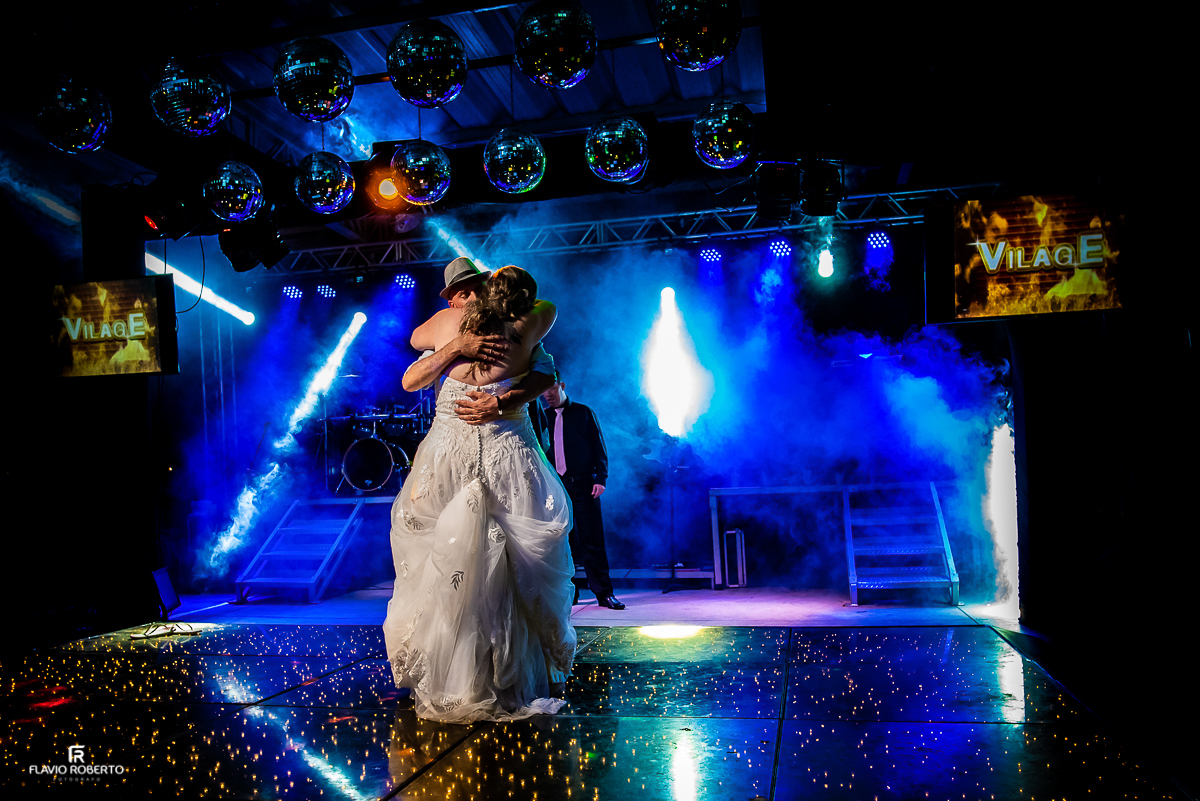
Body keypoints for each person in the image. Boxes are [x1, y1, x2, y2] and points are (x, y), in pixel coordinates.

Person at [383, 264, 576, 723]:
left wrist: (501, 398)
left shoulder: (472, 322)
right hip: (455, 456)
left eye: (470, 289)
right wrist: (458, 346)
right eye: (461, 292)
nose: (464, 298)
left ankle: (498, 673)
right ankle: (469, 672)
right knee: (455, 557)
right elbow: (412, 374)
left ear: (482, 290)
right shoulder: (502, 322)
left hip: (500, 453)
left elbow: (545, 374)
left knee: (508, 559)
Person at [402, 257, 557, 424]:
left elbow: (547, 376)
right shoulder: (441, 333)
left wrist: (502, 404)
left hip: (507, 429)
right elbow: (409, 382)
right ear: (452, 305)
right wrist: (455, 346)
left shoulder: (515, 325)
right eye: (464, 295)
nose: (475, 298)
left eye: (480, 290)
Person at [541, 373, 625, 610]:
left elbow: (599, 447)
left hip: (584, 485)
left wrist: (601, 478)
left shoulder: (583, 412)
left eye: (551, 388)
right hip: (556, 487)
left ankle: (604, 593)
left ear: (562, 386)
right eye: (543, 390)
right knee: (561, 541)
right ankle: (570, 593)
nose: (547, 394)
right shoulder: (543, 417)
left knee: (592, 539)